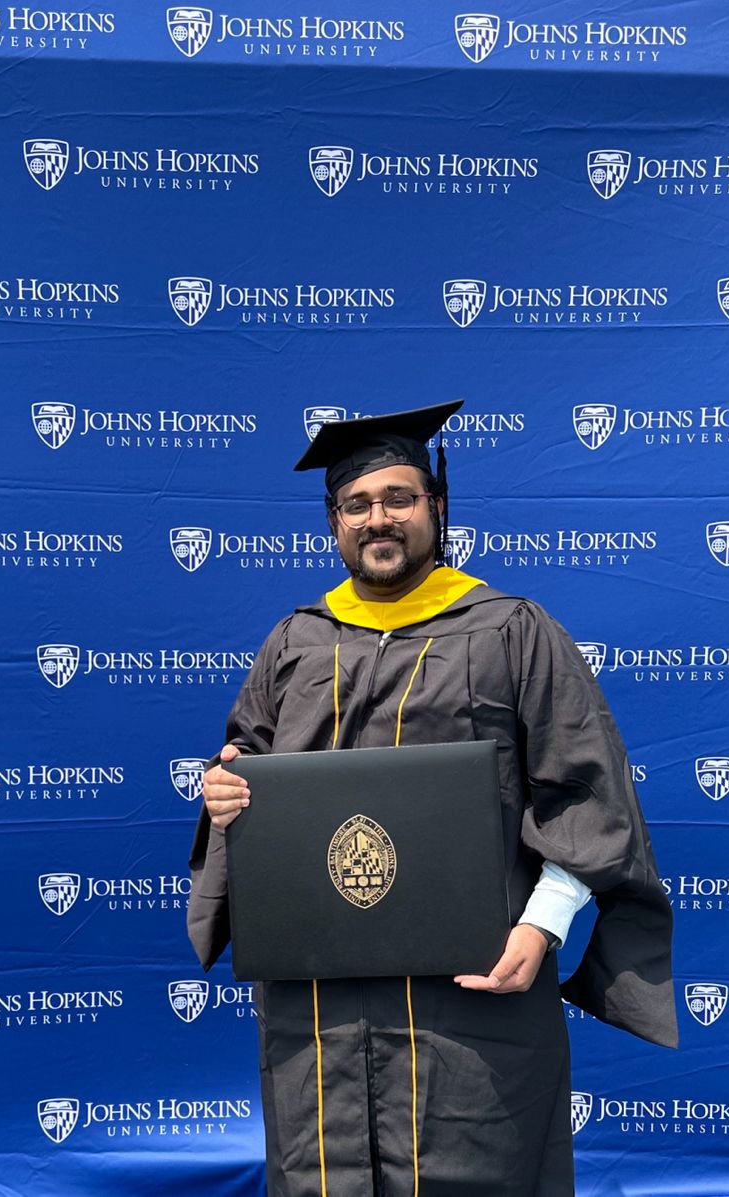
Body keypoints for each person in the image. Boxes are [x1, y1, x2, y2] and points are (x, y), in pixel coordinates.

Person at [187, 401, 676, 1197]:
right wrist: (226, 795)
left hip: (472, 995)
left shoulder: (512, 630)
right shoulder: (295, 642)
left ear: (436, 506)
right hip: (321, 1008)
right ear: (334, 522)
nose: (378, 518)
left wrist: (542, 924)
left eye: (399, 498)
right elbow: (249, 772)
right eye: (357, 504)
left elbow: (586, 791)